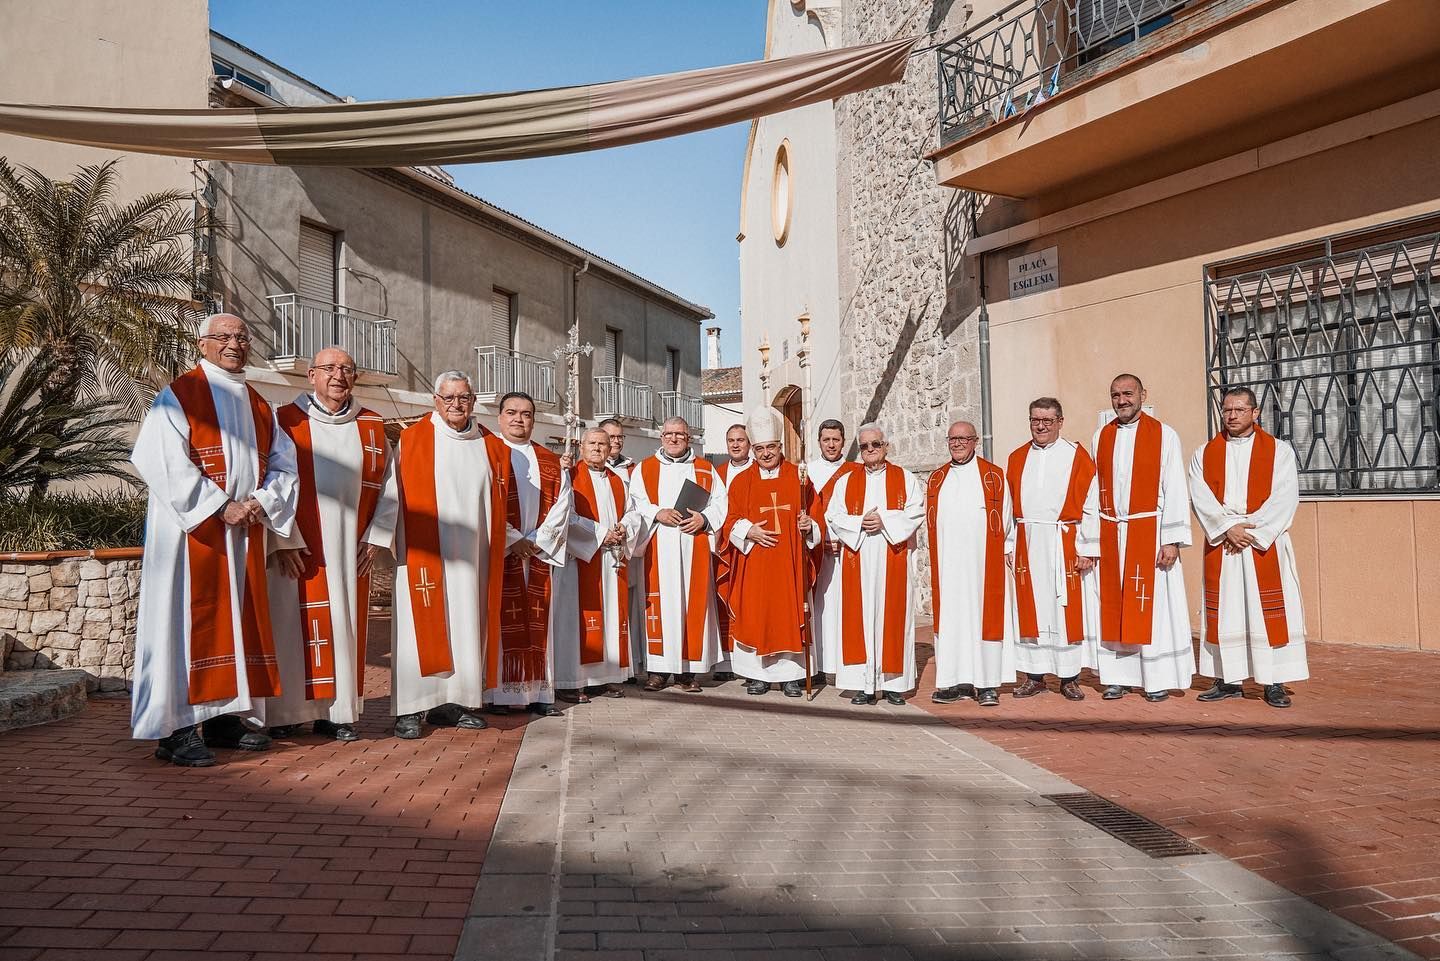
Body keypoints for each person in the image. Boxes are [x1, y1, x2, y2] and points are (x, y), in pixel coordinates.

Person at [130, 312, 298, 766]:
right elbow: (159, 458)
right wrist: (219, 505)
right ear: (201, 344)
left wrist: (261, 501)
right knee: (185, 624)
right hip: (193, 536)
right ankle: (178, 729)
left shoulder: (260, 404)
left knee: (238, 623)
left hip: (242, 534)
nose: (234, 344)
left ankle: (224, 717)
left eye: (242, 336)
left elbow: (286, 464)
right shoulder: (180, 394)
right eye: (223, 337)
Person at [266, 348, 399, 741]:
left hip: (349, 548)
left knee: (344, 626)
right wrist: (283, 539)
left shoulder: (372, 427)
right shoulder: (285, 422)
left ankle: (336, 713)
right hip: (298, 546)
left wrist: (376, 536)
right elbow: (270, 480)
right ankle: (286, 713)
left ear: (355, 378)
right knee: (291, 626)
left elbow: (392, 487)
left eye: (346, 369)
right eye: (329, 368)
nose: (338, 376)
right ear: (311, 375)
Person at [391, 371, 510, 739]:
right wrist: (383, 541)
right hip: (424, 555)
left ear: (473, 401)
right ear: (435, 401)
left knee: (465, 625)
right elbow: (390, 495)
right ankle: (409, 709)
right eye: (449, 398)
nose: (456, 405)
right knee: (416, 633)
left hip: (474, 559)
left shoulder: (492, 445)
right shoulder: (412, 440)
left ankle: (452, 702)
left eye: (464, 398)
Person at [1188, 387, 1307, 708]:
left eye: (1240, 410)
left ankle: (1274, 681)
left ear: (1256, 413)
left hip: (1261, 543)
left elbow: (1285, 497)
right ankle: (1227, 679)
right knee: (1226, 612)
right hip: (1224, 544)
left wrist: (1251, 531)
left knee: (1265, 612)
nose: (1232, 416)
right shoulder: (1204, 453)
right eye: (1227, 410)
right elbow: (1200, 496)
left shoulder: (1279, 451)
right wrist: (1228, 527)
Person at [1080, 374, 1195, 701]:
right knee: (1114, 606)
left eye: (1128, 393)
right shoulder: (1101, 436)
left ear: (1143, 394)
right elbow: (1092, 491)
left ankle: (1155, 678)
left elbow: (1174, 486)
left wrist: (1171, 538)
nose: (1122, 400)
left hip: (1149, 533)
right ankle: (1117, 677)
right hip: (1112, 533)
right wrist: (1089, 542)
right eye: (1115, 395)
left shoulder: (1163, 435)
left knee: (1152, 609)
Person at [823, 424, 924, 705]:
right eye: (864, 446)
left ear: (886, 446)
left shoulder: (904, 478)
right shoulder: (846, 481)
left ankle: (893, 685)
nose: (870, 450)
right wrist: (859, 523)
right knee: (860, 617)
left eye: (875, 445)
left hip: (893, 555)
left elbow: (916, 511)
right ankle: (861, 683)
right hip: (859, 556)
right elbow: (834, 514)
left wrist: (885, 522)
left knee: (893, 617)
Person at [720, 412, 819, 697]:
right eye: (760, 449)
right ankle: (757, 676)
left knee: (789, 613)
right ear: (753, 450)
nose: (765, 454)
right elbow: (730, 519)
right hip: (754, 563)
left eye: (771, 448)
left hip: (789, 563)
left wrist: (808, 524)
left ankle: (791, 677)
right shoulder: (741, 482)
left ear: (780, 447)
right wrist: (747, 531)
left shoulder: (799, 478)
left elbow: (815, 514)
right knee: (755, 613)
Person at [1006, 398, 1098, 702]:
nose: (1041, 426)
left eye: (1047, 420)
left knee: (1063, 609)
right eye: (1035, 420)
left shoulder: (1077, 456)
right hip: (1027, 541)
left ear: (1060, 421)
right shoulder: (1017, 457)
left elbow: (1091, 504)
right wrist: (1009, 542)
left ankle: (1069, 677)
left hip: (1063, 541)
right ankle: (1034, 676)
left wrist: (1087, 546)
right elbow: (1008, 507)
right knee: (1030, 608)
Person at [630, 416, 729, 692]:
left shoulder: (705, 469)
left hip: (693, 545)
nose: (674, 439)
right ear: (661, 437)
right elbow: (635, 502)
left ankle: (688, 671)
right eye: (669, 434)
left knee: (691, 603)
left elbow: (721, 504)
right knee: (660, 608)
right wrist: (657, 512)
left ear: (689, 438)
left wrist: (704, 520)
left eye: (680, 435)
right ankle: (659, 670)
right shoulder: (645, 469)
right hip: (657, 547)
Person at [489, 392, 571, 717]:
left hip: (536, 555)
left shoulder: (549, 460)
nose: (518, 419)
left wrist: (536, 541)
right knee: (499, 622)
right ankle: (498, 695)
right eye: (512, 412)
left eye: (526, 414)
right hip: (502, 555)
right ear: (499, 417)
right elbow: (485, 501)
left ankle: (539, 693)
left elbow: (563, 505)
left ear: (533, 419)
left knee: (540, 621)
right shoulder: (488, 454)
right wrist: (512, 539)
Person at [927, 421, 1017, 708]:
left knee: (983, 621)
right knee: (952, 622)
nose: (957, 444)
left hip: (983, 565)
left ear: (975, 441)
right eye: (952, 439)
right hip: (949, 566)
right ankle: (953, 682)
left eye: (963, 439)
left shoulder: (993, 475)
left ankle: (987, 684)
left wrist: (1006, 550)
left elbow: (1006, 520)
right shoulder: (937, 478)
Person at [554, 428, 641, 702]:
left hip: (611, 561)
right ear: (581, 446)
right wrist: (602, 533)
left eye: (603, 444)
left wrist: (624, 528)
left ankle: (604, 679)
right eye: (592, 443)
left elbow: (632, 512)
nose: (598, 448)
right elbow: (564, 515)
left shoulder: (618, 480)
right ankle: (570, 681)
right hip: (580, 562)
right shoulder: (570, 477)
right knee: (576, 621)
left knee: (610, 620)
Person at [805, 419, 853, 681]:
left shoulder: (855, 472)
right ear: (819, 442)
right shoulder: (808, 473)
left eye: (836, 440)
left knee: (844, 608)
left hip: (847, 550)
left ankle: (844, 664)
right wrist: (818, 538)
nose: (831, 445)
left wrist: (844, 539)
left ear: (843, 441)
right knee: (820, 609)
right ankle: (820, 664)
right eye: (826, 440)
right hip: (817, 551)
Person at [710, 422, 752, 681]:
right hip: (723, 546)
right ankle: (726, 663)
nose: (736, 445)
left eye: (741, 440)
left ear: (749, 443)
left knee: (747, 602)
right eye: (731, 441)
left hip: (748, 545)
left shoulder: (758, 470)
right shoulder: (718, 472)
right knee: (722, 600)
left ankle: (748, 662)